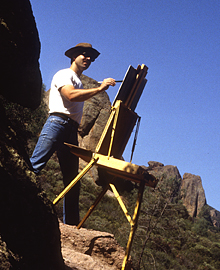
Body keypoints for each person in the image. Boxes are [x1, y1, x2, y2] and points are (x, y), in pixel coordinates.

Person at [30, 43, 116, 225]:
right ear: (74, 56)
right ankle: (13, 200)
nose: (88, 59)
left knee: (72, 181)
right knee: (35, 165)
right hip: (57, 123)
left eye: (90, 57)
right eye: (84, 55)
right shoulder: (64, 74)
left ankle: (70, 226)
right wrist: (100, 89)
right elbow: (70, 95)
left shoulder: (79, 81)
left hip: (70, 131)